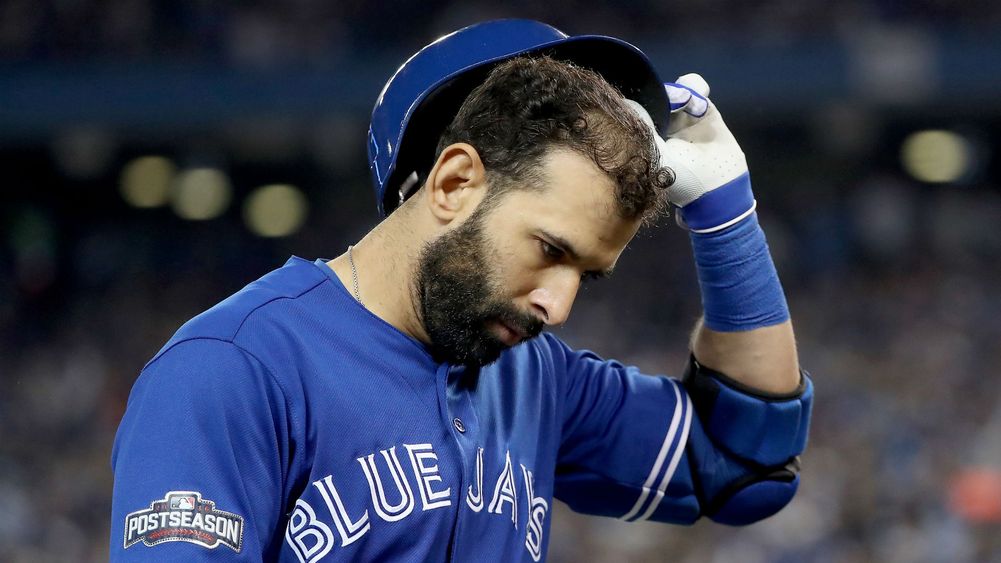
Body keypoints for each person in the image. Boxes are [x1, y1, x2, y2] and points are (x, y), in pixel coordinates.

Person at [110, 19, 813, 562]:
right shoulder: (230, 369)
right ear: (452, 183)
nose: (559, 306)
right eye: (549, 250)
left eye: (585, 275)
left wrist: (728, 222)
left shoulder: (531, 373)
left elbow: (744, 462)